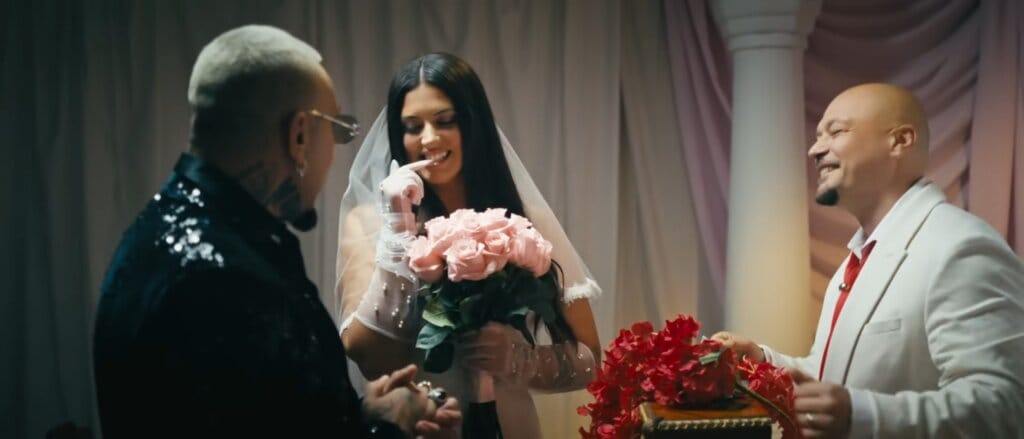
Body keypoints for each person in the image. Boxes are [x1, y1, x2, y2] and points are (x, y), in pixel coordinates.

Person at [93, 25, 459, 438]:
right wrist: (392, 430)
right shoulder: (224, 278)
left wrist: (356, 417)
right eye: (336, 131)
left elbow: (262, 415)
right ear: (300, 135)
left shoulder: (161, 231)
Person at [713, 83, 1024, 438]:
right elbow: (836, 376)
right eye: (817, 136)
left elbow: (1005, 405)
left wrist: (861, 415)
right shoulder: (858, 260)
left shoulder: (961, 246)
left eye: (837, 131)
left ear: (899, 140)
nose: (815, 149)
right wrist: (764, 361)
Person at [333, 53, 602, 438]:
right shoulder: (371, 222)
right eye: (413, 126)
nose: (428, 138)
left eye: (446, 121)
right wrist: (398, 229)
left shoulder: (524, 220)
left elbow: (592, 359)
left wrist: (520, 360)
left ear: (473, 123)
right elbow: (373, 361)